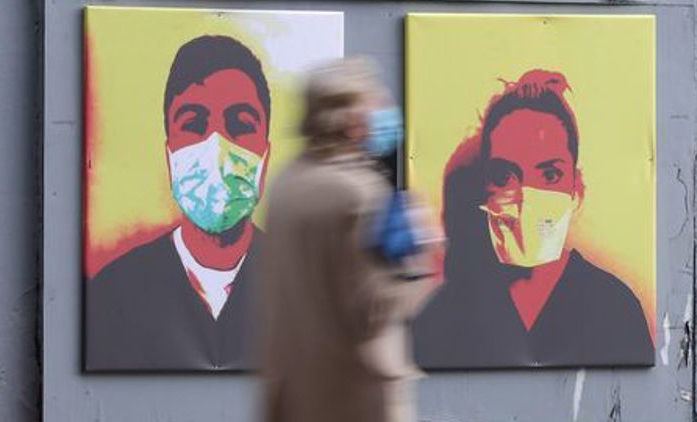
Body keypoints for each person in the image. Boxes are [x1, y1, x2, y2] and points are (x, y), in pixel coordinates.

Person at [412, 69, 654, 368]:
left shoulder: (616, 309)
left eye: (550, 175)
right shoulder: (442, 317)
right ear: (484, 188)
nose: (526, 196)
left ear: (576, 191)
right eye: (504, 176)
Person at [258, 58, 442, 422]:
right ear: (352, 120)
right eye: (374, 104)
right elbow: (374, 310)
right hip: (354, 395)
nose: (382, 112)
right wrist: (419, 259)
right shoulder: (359, 195)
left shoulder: (285, 185)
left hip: (294, 395)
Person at [86, 35, 271, 370]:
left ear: (265, 156)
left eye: (240, 125)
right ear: (169, 155)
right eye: (194, 124)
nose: (216, 146)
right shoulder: (111, 295)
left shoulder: (300, 284)